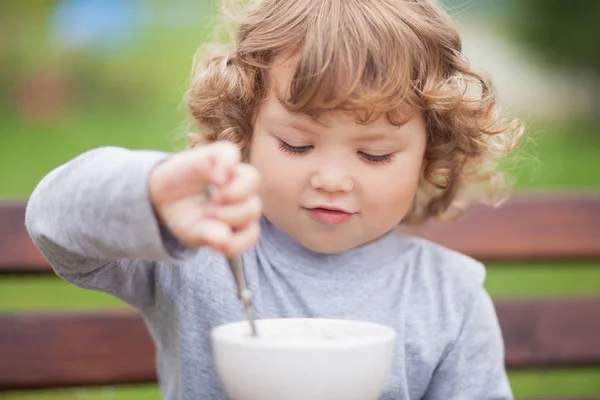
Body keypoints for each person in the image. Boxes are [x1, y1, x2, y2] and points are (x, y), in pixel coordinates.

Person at [25, 0, 524, 398]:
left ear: (429, 157)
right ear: (244, 134)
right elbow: (53, 223)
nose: (332, 179)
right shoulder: (198, 253)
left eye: (373, 154)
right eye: (296, 144)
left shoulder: (449, 298)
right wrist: (151, 192)